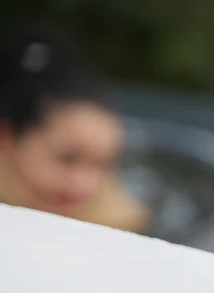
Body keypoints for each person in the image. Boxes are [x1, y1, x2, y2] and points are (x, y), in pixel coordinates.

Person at [0, 24, 146, 232]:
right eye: (67, 158)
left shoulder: (117, 228)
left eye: (103, 164)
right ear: (6, 137)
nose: (84, 185)